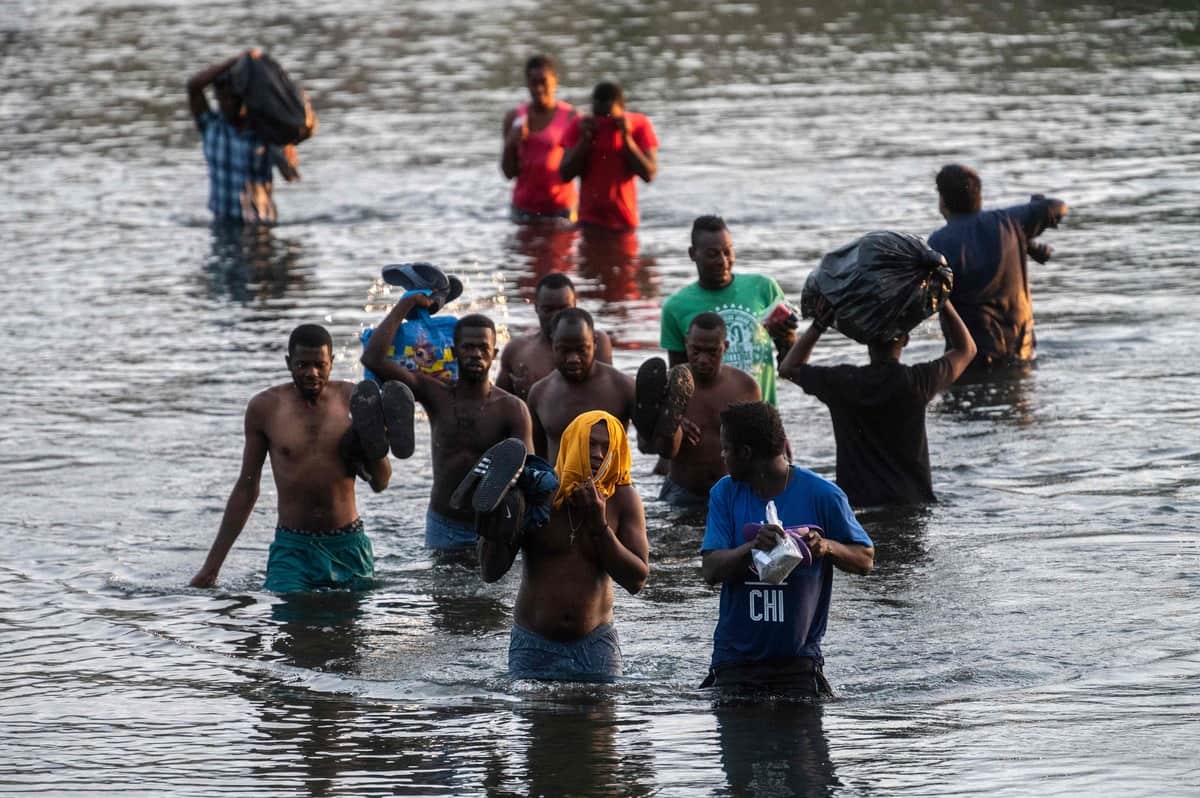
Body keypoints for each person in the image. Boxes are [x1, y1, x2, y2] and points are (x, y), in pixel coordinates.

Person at [190, 324, 392, 591]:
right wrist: (211, 567)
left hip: (348, 544)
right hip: (293, 548)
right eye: (302, 365)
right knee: (289, 625)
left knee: (350, 632)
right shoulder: (265, 408)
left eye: (320, 364)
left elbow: (381, 482)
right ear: (288, 363)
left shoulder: (353, 399)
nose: (312, 373)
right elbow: (247, 487)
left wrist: (371, 446)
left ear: (331, 362)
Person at [700, 401, 873, 695]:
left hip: (799, 663)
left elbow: (865, 559)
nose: (722, 455)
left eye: (726, 448)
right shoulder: (725, 493)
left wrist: (825, 547)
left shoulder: (822, 495)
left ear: (745, 453)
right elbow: (710, 570)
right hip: (734, 661)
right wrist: (752, 547)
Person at [479, 411, 649, 682]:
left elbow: (636, 580)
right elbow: (491, 573)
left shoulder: (623, 499)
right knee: (537, 723)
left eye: (606, 447)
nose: (598, 454)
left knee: (599, 724)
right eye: (590, 444)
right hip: (533, 643)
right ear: (571, 443)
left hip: (595, 645)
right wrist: (498, 522)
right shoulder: (536, 493)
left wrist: (599, 527)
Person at [362, 292, 533, 551]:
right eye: (468, 347)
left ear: (494, 353)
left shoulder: (512, 409)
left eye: (483, 348)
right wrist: (406, 304)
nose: (476, 354)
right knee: (441, 592)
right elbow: (373, 358)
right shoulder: (436, 394)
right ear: (454, 351)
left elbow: (527, 467)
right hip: (444, 524)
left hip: (493, 525)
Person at [779, 297, 976, 507]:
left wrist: (819, 325)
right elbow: (967, 349)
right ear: (906, 339)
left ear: (865, 339)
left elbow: (788, 368)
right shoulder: (917, 382)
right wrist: (942, 301)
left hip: (858, 506)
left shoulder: (843, 382)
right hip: (912, 503)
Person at [929, 164, 1069, 368]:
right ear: (979, 197)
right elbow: (1058, 207)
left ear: (942, 201)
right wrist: (1027, 239)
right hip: (1022, 355)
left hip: (970, 362)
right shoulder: (1009, 223)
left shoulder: (939, 243)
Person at [660, 216, 797, 406]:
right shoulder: (675, 307)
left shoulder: (764, 289)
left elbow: (791, 368)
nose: (722, 261)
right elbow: (679, 381)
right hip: (712, 422)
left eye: (727, 251)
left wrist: (788, 337)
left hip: (763, 417)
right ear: (693, 254)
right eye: (712, 253)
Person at [644, 313, 761, 508]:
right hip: (682, 493)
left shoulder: (746, 386)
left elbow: (761, 445)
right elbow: (647, 444)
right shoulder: (669, 384)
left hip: (731, 493)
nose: (703, 359)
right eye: (696, 350)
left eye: (712, 351)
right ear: (686, 344)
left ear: (726, 347)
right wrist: (672, 420)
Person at [187, 50, 299, 225]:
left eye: (233, 98)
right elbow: (193, 86)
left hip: (260, 225)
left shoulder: (264, 132)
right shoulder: (211, 126)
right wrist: (237, 61)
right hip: (222, 223)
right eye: (223, 98)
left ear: (245, 97)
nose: (228, 104)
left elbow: (290, 174)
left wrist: (284, 156)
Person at [527, 308, 635, 464]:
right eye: (564, 350)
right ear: (553, 344)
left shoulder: (623, 388)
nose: (573, 359)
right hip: (559, 487)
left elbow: (650, 446)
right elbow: (538, 461)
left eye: (581, 350)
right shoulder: (540, 393)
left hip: (612, 488)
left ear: (595, 343)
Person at [497, 273, 614, 401]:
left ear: (575, 304)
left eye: (563, 309)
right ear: (536, 307)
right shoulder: (516, 350)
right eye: (548, 310)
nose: (556, 317)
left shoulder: (595, 342)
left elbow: (605, 396)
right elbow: (498, 405)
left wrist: (536, 393)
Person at [559, 81, 658, 231]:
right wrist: (584, 141)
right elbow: (564, 175)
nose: (603, 121)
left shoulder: (638, 125)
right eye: (598, 115)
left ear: (622, 109)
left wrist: (626, 138)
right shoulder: (581, 125)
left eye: (608, 116)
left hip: (624, 222)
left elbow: (649, 174)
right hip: (588, 221)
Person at [501, 54, 578, 224]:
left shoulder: (572, 118)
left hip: (561, 210)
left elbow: (577, 169)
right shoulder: (514, 118)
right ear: (527, 85)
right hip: (523, 209)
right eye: (533, 83)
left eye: (544, 82)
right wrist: (511, 144)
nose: (539, 89)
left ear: (555, 81)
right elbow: (508, 173)